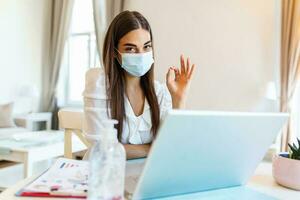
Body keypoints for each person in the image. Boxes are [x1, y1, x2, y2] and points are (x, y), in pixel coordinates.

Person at [82, 10, 196, 159]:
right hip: (108, 176)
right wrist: (151, 149)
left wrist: (179, 100)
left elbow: (173, 146)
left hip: (145, 176)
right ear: (115, 53)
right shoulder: (99, 84)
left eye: (146, 47)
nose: (141, 55)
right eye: (130, 48)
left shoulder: (159, 92)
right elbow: (100, 150)